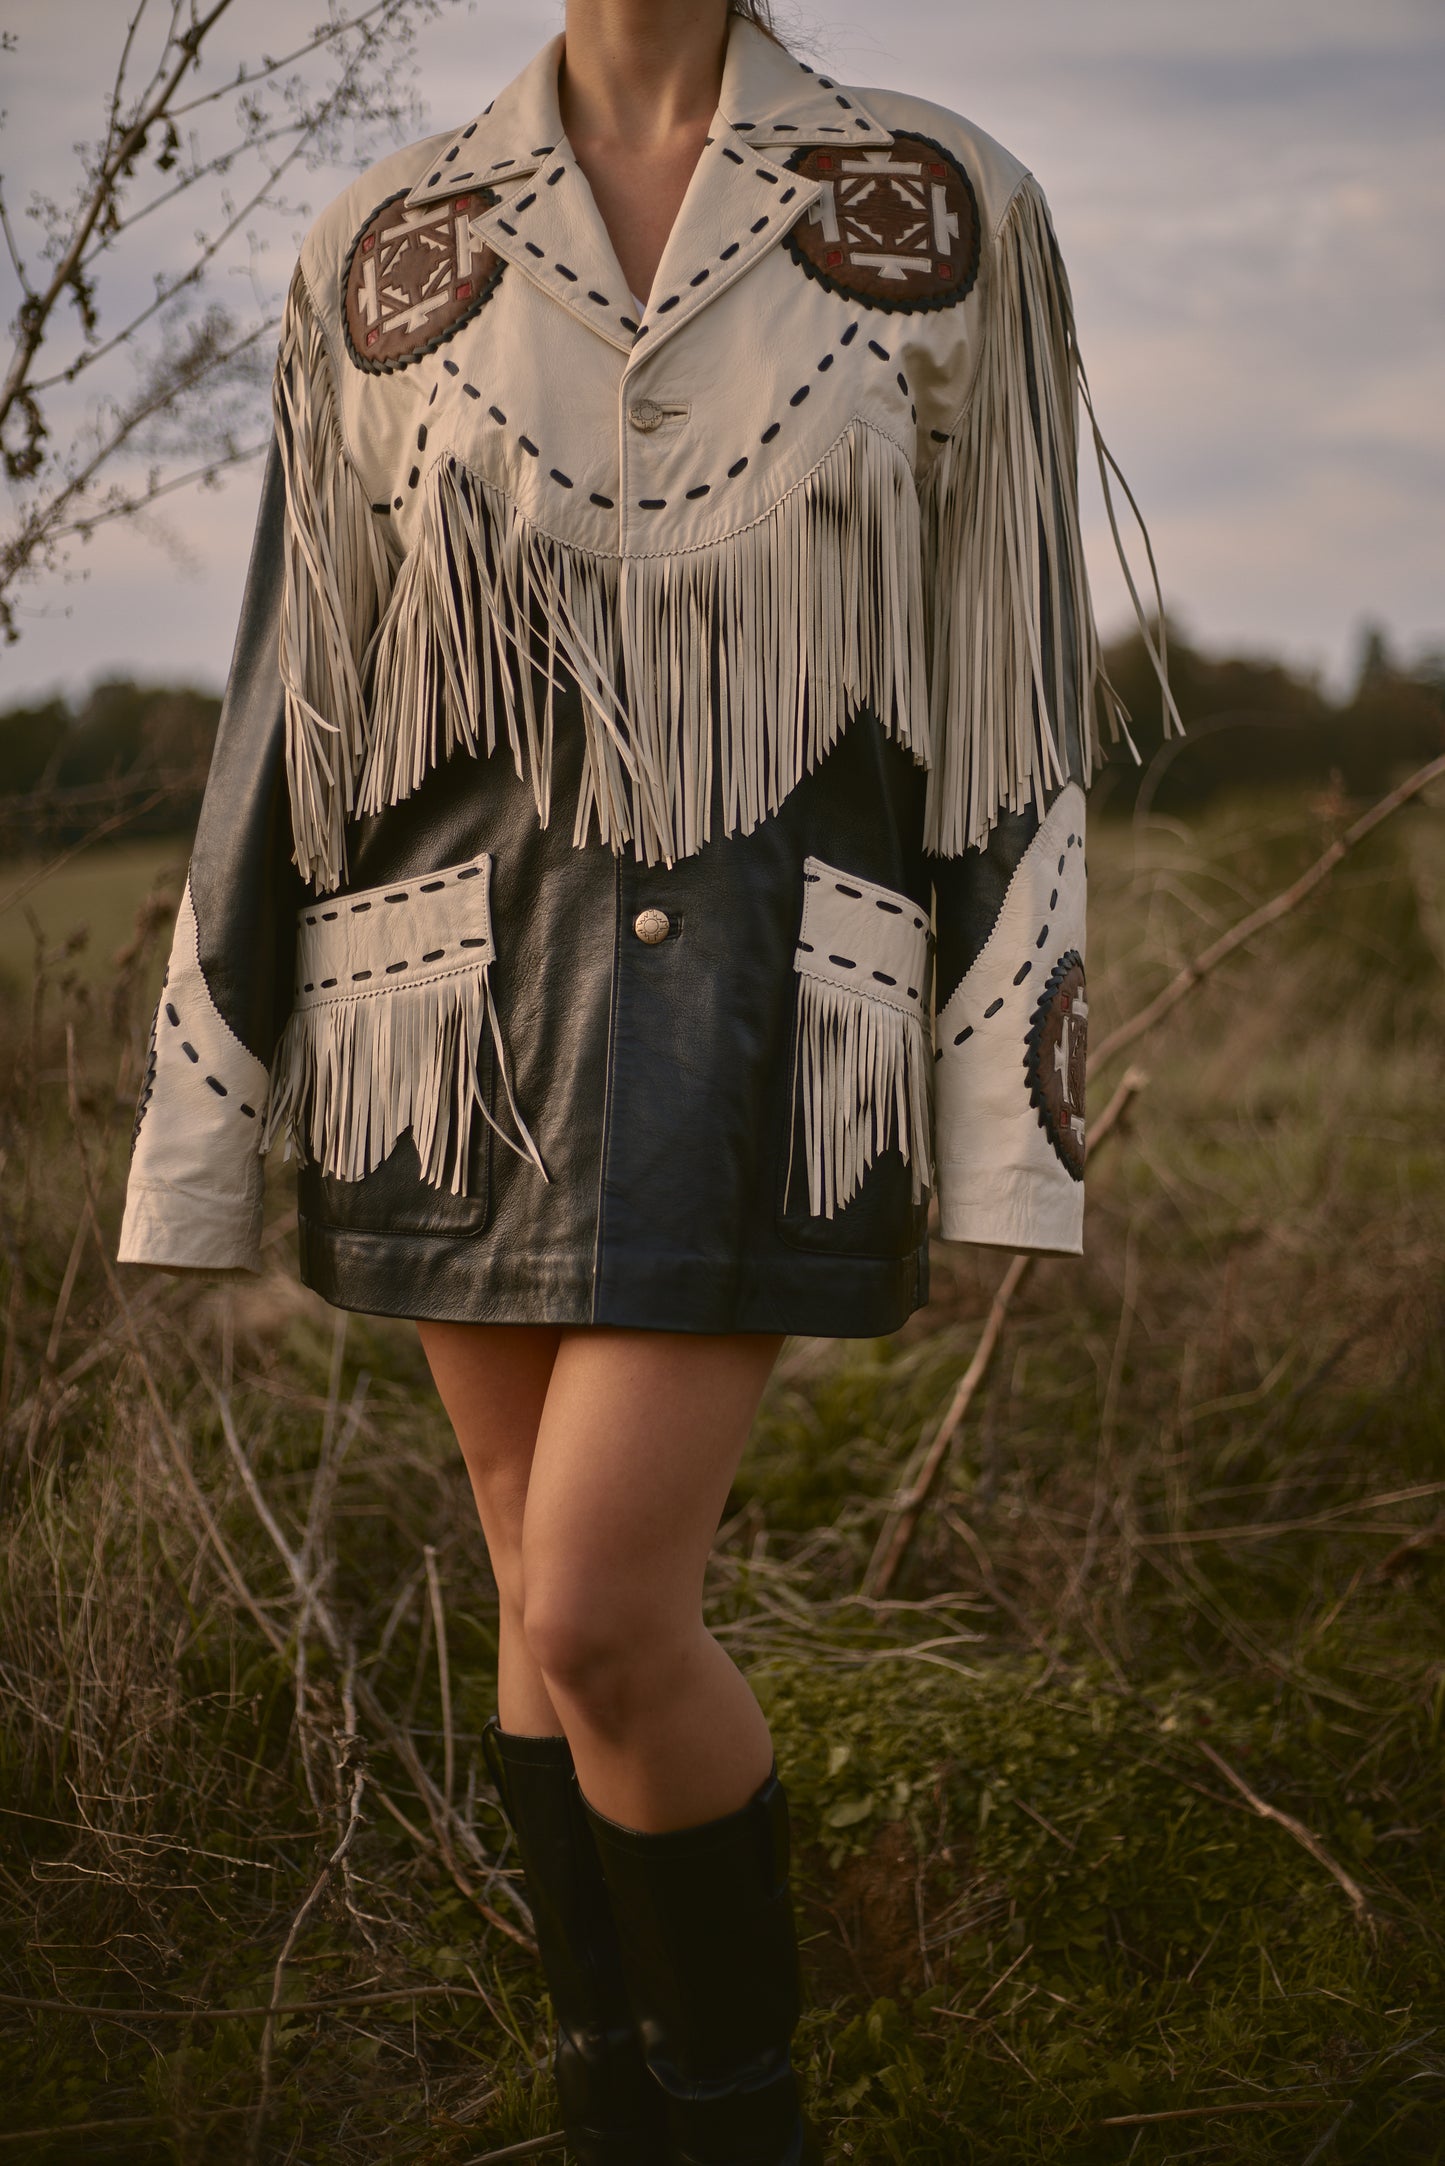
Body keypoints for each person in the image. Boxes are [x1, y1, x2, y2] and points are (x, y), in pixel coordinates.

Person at [117, 2, 1173, 2158]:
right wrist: (208, 1115)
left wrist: (1011, 1122)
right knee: (533, 1585)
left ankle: (733, 2120)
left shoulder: (943, 211)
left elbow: (1011, 705)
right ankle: (612, 2100)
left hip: (774, 1039)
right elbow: (290, 707)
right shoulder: (385, 241)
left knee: (601, 1610)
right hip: (443, 1023)